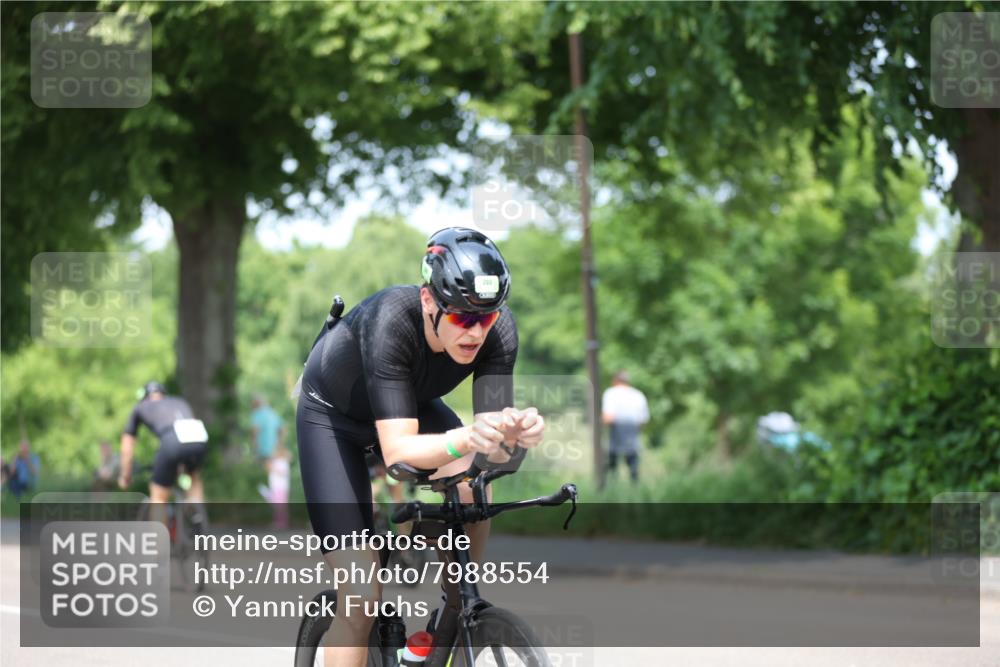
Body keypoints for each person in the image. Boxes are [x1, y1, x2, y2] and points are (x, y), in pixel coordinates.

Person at [296, 227, 545, 667]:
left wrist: (511, 437)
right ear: (429, 301)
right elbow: (399, 455)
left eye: (486, 318)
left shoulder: (497, 329)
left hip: (409, 405)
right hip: (333, 418)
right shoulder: (391, 318)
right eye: (462, 318)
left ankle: (455, 612)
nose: (476, 331)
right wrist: (467, 437)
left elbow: (489, 454)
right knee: (359, 597)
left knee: (474, 486)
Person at [118, 381, 208, 507]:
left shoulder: (141, 406)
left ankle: (158, 525)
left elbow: (127, 446)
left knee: (158, 495)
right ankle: (197, 515)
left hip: (172, 438)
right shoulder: (179, 401)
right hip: (199, 436)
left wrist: (125, 476)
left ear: (145, 396)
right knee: (193, 476)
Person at [601, 370, 649, 482]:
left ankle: (612, 490)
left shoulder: (611, 393)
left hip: (616, 432)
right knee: (633, 467)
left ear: (615, 380)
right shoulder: (638, 394)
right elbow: (643, 420)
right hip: (633, 434)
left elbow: (608, 418)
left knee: (612, 467)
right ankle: (635, 491)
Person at [258, 442, 292, 529]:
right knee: (277, 505)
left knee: (280, 506)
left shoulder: (283, 462)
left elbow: (284, 473)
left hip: (281, 487)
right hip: (275, 486)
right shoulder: (275, 461)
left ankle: (281, 523)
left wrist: (274, 468)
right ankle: (279, 522)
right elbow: (269, 469)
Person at [250, 394, 285, 465]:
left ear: (255, 404)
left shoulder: (256, 414)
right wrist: (280, 443)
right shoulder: (272, 413)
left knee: (265, 470)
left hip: (263, 449)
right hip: (275, 448)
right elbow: (282, 428)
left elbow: (255, 431)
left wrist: (255, 445)